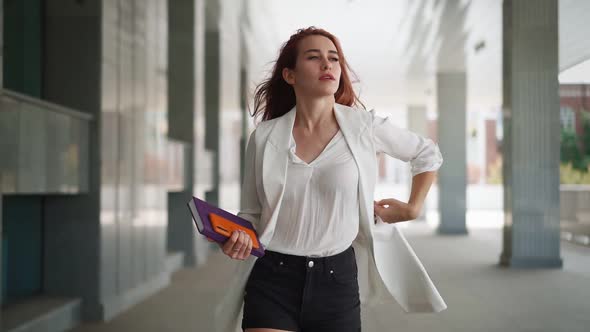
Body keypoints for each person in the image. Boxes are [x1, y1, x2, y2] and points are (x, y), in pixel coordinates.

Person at [212, 26, 447, 332]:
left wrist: (413, 208)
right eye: (314, 57)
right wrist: (235, 238)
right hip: (272, 277)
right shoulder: (265, 137)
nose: (327, 65)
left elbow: (427, 154)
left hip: (336, 280)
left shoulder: (364, 127)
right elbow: (252, 213)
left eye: (334, 58)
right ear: (290, 75)